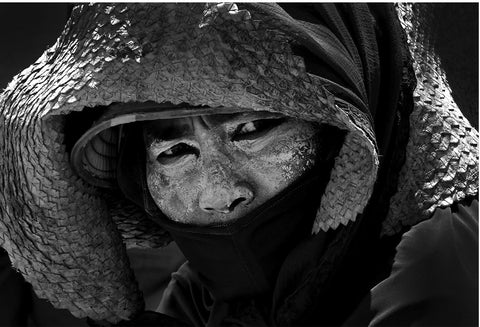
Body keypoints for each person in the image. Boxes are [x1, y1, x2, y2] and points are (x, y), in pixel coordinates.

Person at [0, 3, 477, 326]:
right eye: (174, 153)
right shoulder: (207, 289)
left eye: (252, 130)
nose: (222, 192)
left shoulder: (436, 267)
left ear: (342, 125)